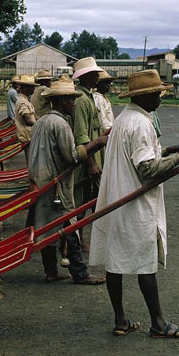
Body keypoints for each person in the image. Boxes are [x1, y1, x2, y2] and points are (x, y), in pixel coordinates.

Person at [89, 69, 179, 337]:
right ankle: (159, 323)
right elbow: (147, 168)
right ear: (144, 96)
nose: (160, 99)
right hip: (134, 204)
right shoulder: (141, 124)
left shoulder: (126, 118)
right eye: (157, 94)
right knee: (145, 262)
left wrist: (171, 149)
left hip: (118, 198)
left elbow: (142, 156)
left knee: (115, 261)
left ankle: (121, 321)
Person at [28, 77, 108, 285]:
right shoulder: (60, 124)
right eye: (71, 100)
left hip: (41, 181)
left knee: (45, 226)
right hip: (56, 186)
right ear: (63, 101)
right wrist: (97, 143)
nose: (74, 103)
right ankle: (80, 273)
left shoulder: (42, 122)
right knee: (70, 227)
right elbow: (72, 157)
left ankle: (51, 271)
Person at [71, 57, 106, 252]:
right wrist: (91, 163)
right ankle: (75, 243)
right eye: (94, 74)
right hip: (86, 160)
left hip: (92, 157)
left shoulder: (88, 97)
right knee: (80, 204)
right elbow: (81, 136)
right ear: (86, 77)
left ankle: (79, 241)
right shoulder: (83, 100)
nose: (97, 77)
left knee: (86, 202)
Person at [13, 75, 39, 163]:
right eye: (32, 87)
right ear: (25, 88)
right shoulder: (22, 101)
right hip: (27, 137)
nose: (34, 89)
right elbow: (28, 119)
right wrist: (39, 124)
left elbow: (33, 115)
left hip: (30, 136)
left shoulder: (26, 100)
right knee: (31, 163)